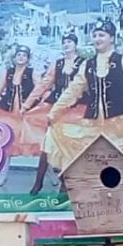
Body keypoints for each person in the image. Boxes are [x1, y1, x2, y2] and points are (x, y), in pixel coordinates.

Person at [44, 17, 123, 175]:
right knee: (93, 166)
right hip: (93, 123)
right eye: (95, 35)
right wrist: (54, 112)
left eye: (101, 35)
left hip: (121, 123)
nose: (97, 39)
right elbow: (72, 91)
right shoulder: (88, 65)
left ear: (111, 38)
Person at [21, 32, 85, 194]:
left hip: (76, 111)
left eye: (70, 42)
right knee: (48, 145)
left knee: (70, 147)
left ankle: (65, 183)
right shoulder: (58, 64)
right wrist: (27, 104)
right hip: (57, 111)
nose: (66, 44)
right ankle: (38, 183)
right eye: (64, 42)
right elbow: (43, 85)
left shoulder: (83, 63)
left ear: (75, 45)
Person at [0, 45, 40, 157]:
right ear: (14, 58)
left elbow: (39, 89)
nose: (21, 57)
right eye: (18, 55)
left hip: (27, 109)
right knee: (8, 130)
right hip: (9, 108)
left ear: (28, 59)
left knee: (26, 133)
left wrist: (30, 104)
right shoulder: (8, 72)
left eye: (24, 55)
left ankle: (26, 157)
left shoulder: (32, 73)